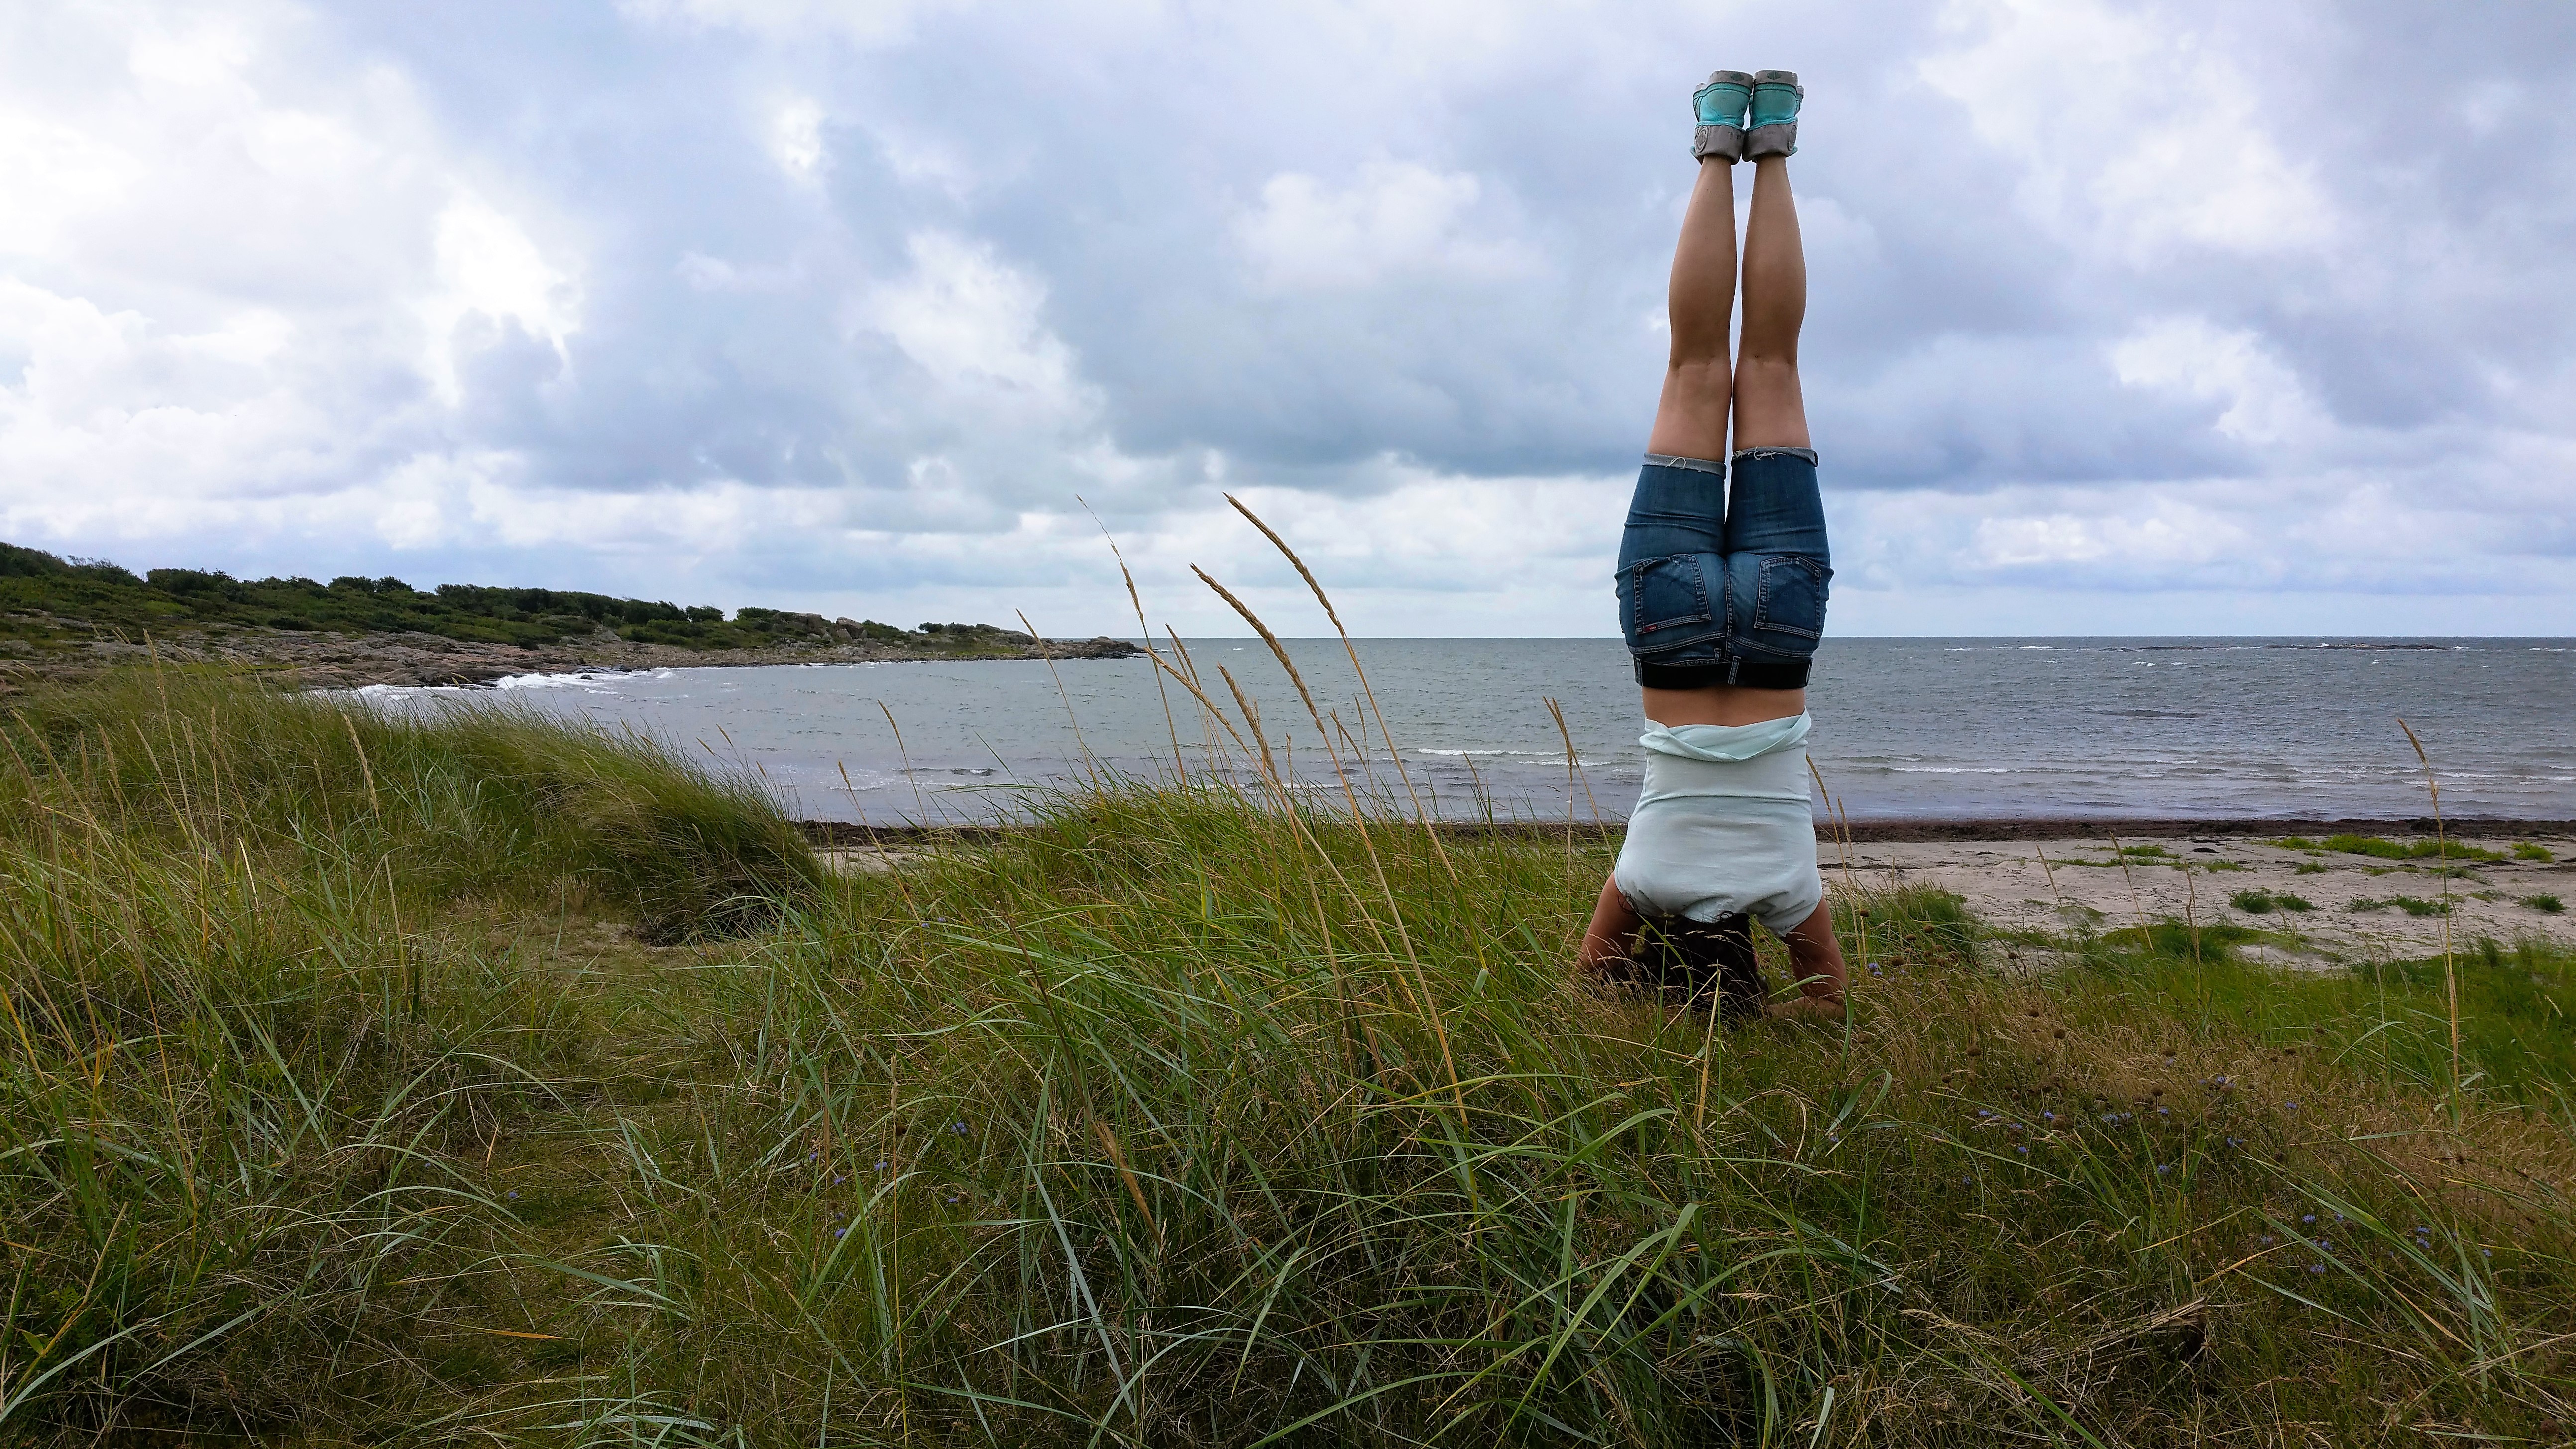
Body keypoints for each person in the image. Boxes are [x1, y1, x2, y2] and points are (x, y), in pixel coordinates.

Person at [1576, 69, 1849, 1023]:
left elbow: (1825, 999)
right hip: (1672, 624)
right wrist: (1625, 985)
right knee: (1697, 364)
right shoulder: (1643, 883)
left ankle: (1773, 141)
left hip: (1779, 631)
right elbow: (1590, 972)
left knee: (1772, 362)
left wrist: (1777, 1016)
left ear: (1747, 965)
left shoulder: (1791, 898)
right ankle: (1715, 145)